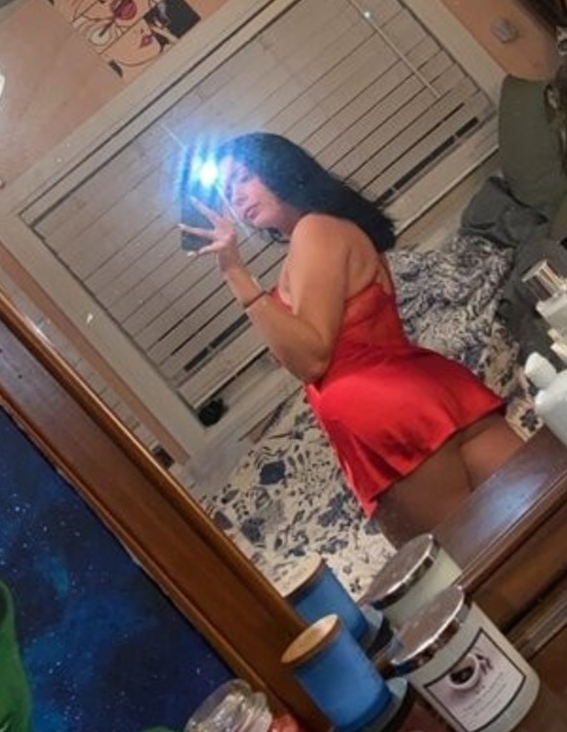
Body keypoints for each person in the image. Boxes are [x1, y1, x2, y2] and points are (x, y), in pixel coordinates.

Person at [182, 133, 521, 541]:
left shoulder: (314, 231)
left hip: (390, 419)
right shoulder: (323, 233)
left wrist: (234, 272)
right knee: (554, 517)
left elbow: (312, 359)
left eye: (242, 178)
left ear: (279, 169)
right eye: (226, 189)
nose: (235, 197)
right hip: (430, 393)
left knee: (475, 558)